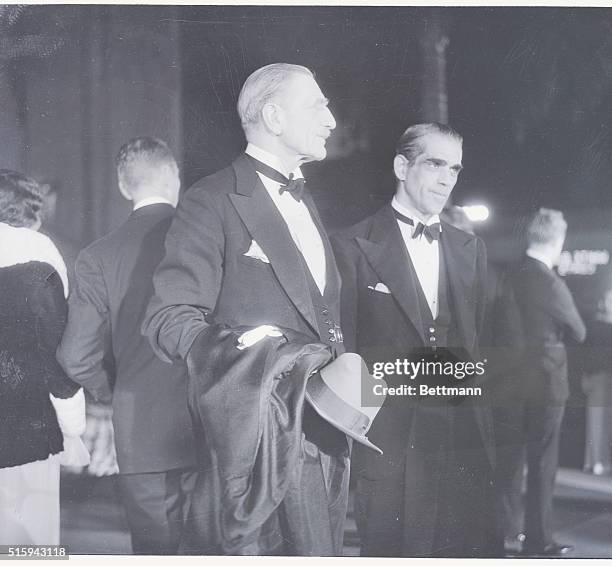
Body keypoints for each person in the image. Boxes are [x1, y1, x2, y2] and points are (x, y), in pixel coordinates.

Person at [142, 63, 350, 556]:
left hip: (326, 445)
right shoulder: (212, 199)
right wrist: (253, 354)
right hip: (253, 456)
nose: (332, 120)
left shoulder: (308, 202)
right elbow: (169, 320)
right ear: (274, 117)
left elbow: (324, 324)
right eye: (318, 104)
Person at [331, 123, 501, 557]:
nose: (448, 179)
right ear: (401, 166)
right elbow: (345, 350)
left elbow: (476, 340)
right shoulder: (351, 245)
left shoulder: (469, 249)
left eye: (456, 169)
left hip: (460, 439)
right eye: (435, 164)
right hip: (390, 445)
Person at [56, 138, 197, 555]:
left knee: (156, 552)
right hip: (211, 424)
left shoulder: (98, 256)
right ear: (174, 177)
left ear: (123, 187)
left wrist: (117, 390)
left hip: (142, 430)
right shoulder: (206, 243)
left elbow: (75, 356)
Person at [0, 169, 86, 545]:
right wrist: (74, 428)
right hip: (29, 429)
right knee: (32, 544)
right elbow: (58, 361)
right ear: (33, 215)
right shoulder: (41, 267)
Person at [495, 208, 586, 556]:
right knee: (543, 463)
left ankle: (505, 534)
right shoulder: (550, 282)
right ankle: (540, 538)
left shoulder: (510, 273)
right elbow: (578, 330)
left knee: (510, 463)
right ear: (557, 239)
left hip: (508, 381)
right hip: (546, 384)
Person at [582, 286, 612, 475]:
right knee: (598, 420)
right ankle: (597, 461)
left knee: (599, 419)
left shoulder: (595, 326)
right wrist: (585, 376)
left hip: (600, 378)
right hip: (601, 378)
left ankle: (596, 461)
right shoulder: (598, 327)